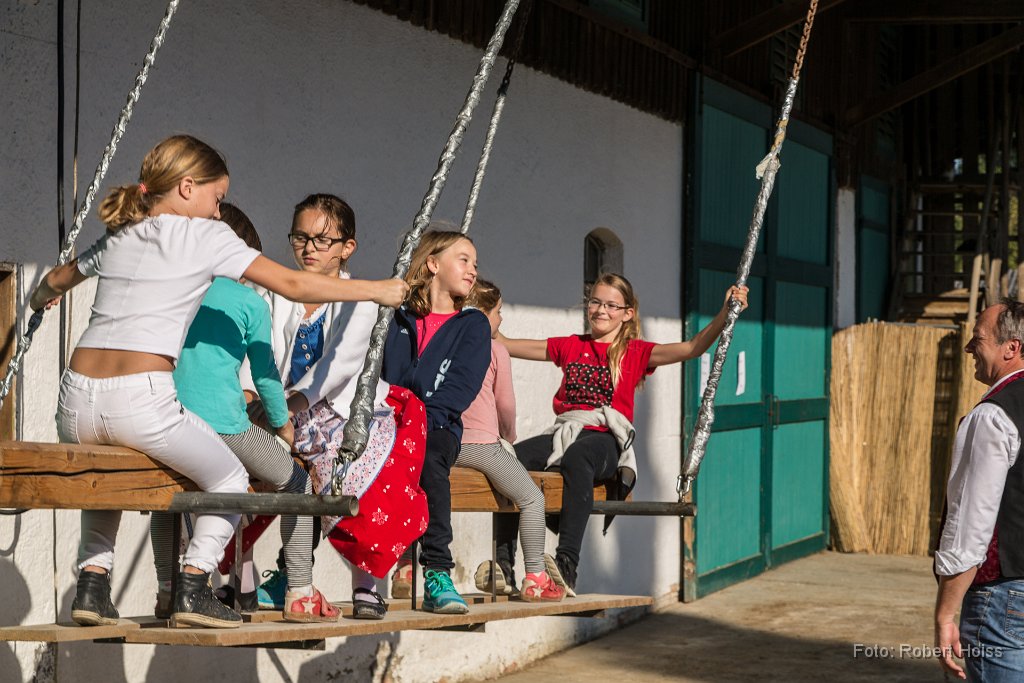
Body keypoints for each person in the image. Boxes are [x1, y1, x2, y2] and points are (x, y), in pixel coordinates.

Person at [30, 135, 406, 629]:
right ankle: (193, 587)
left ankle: (93, 586)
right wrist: (377, 290)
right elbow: (293, 284)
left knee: (106, 482)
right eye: (217, 196)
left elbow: (57, 280)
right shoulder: (206, 236)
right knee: (229, 479)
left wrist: (38, 299)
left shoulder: (124, 232)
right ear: (188, 187)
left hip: (75, 400)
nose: (217, 210)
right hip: (139, 399)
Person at [495, 273, 747, 596]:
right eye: (595, 302)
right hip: (567, 430)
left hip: (605, 439)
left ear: (628, 313)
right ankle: (503, 566)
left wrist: (725, 312)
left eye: (611, 305)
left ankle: (567, 565)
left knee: (578, 457)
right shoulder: (571, 345)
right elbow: (505, 344)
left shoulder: (635, 352)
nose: (601, 310)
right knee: (508, 459)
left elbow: (693, 348)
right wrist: (481, 309)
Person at [148, 202, 336, 623]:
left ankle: (167, 589)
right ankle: (300, 591)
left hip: (168, 418)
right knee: (296, 482)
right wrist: (282, 425)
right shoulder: (248, 301)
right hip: (225, 424)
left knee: (166, 497)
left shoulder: (173, 289)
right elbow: (266, 377)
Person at [241, 193, 425, 620]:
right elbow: (257, 350)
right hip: (279, 406)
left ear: (347, 247)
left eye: (322, 240)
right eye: (300, 237)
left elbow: (339, 365)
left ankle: (366, 583)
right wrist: (254, 397)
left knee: (349, 474)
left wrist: (292, 406)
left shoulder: (361, 298)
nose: (309, 248)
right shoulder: (275, 295)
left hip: (340, 410)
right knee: (246, 468)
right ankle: (245, 580)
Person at [382, 230, 491, 614]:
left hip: (437, 427)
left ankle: (437, 572)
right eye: (464, 260)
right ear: (432, 264)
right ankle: (294, 571)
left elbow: (460, 387)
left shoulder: (472, 325)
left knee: (427, 458)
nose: (473, 270)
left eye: (475, 263)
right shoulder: (396, 318)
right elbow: (379, 375)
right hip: (387, 422)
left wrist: (417, 422)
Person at [935, 300, 1024, 681]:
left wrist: (945, 614)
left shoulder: (993, 415)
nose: (969, 348)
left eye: (979, 339)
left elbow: (971, 526)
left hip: (1004, 598)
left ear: (1011, 348)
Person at [460, 279, 564, 601]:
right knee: (532, 498)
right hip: (482, 446)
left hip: (445, 445)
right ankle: (535, 576)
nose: (501, 319)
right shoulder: (495, 350)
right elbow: (505, 405)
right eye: (498, 312)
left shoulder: (442, 345)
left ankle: (407, 566)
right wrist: (508, 436)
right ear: (482, 314)